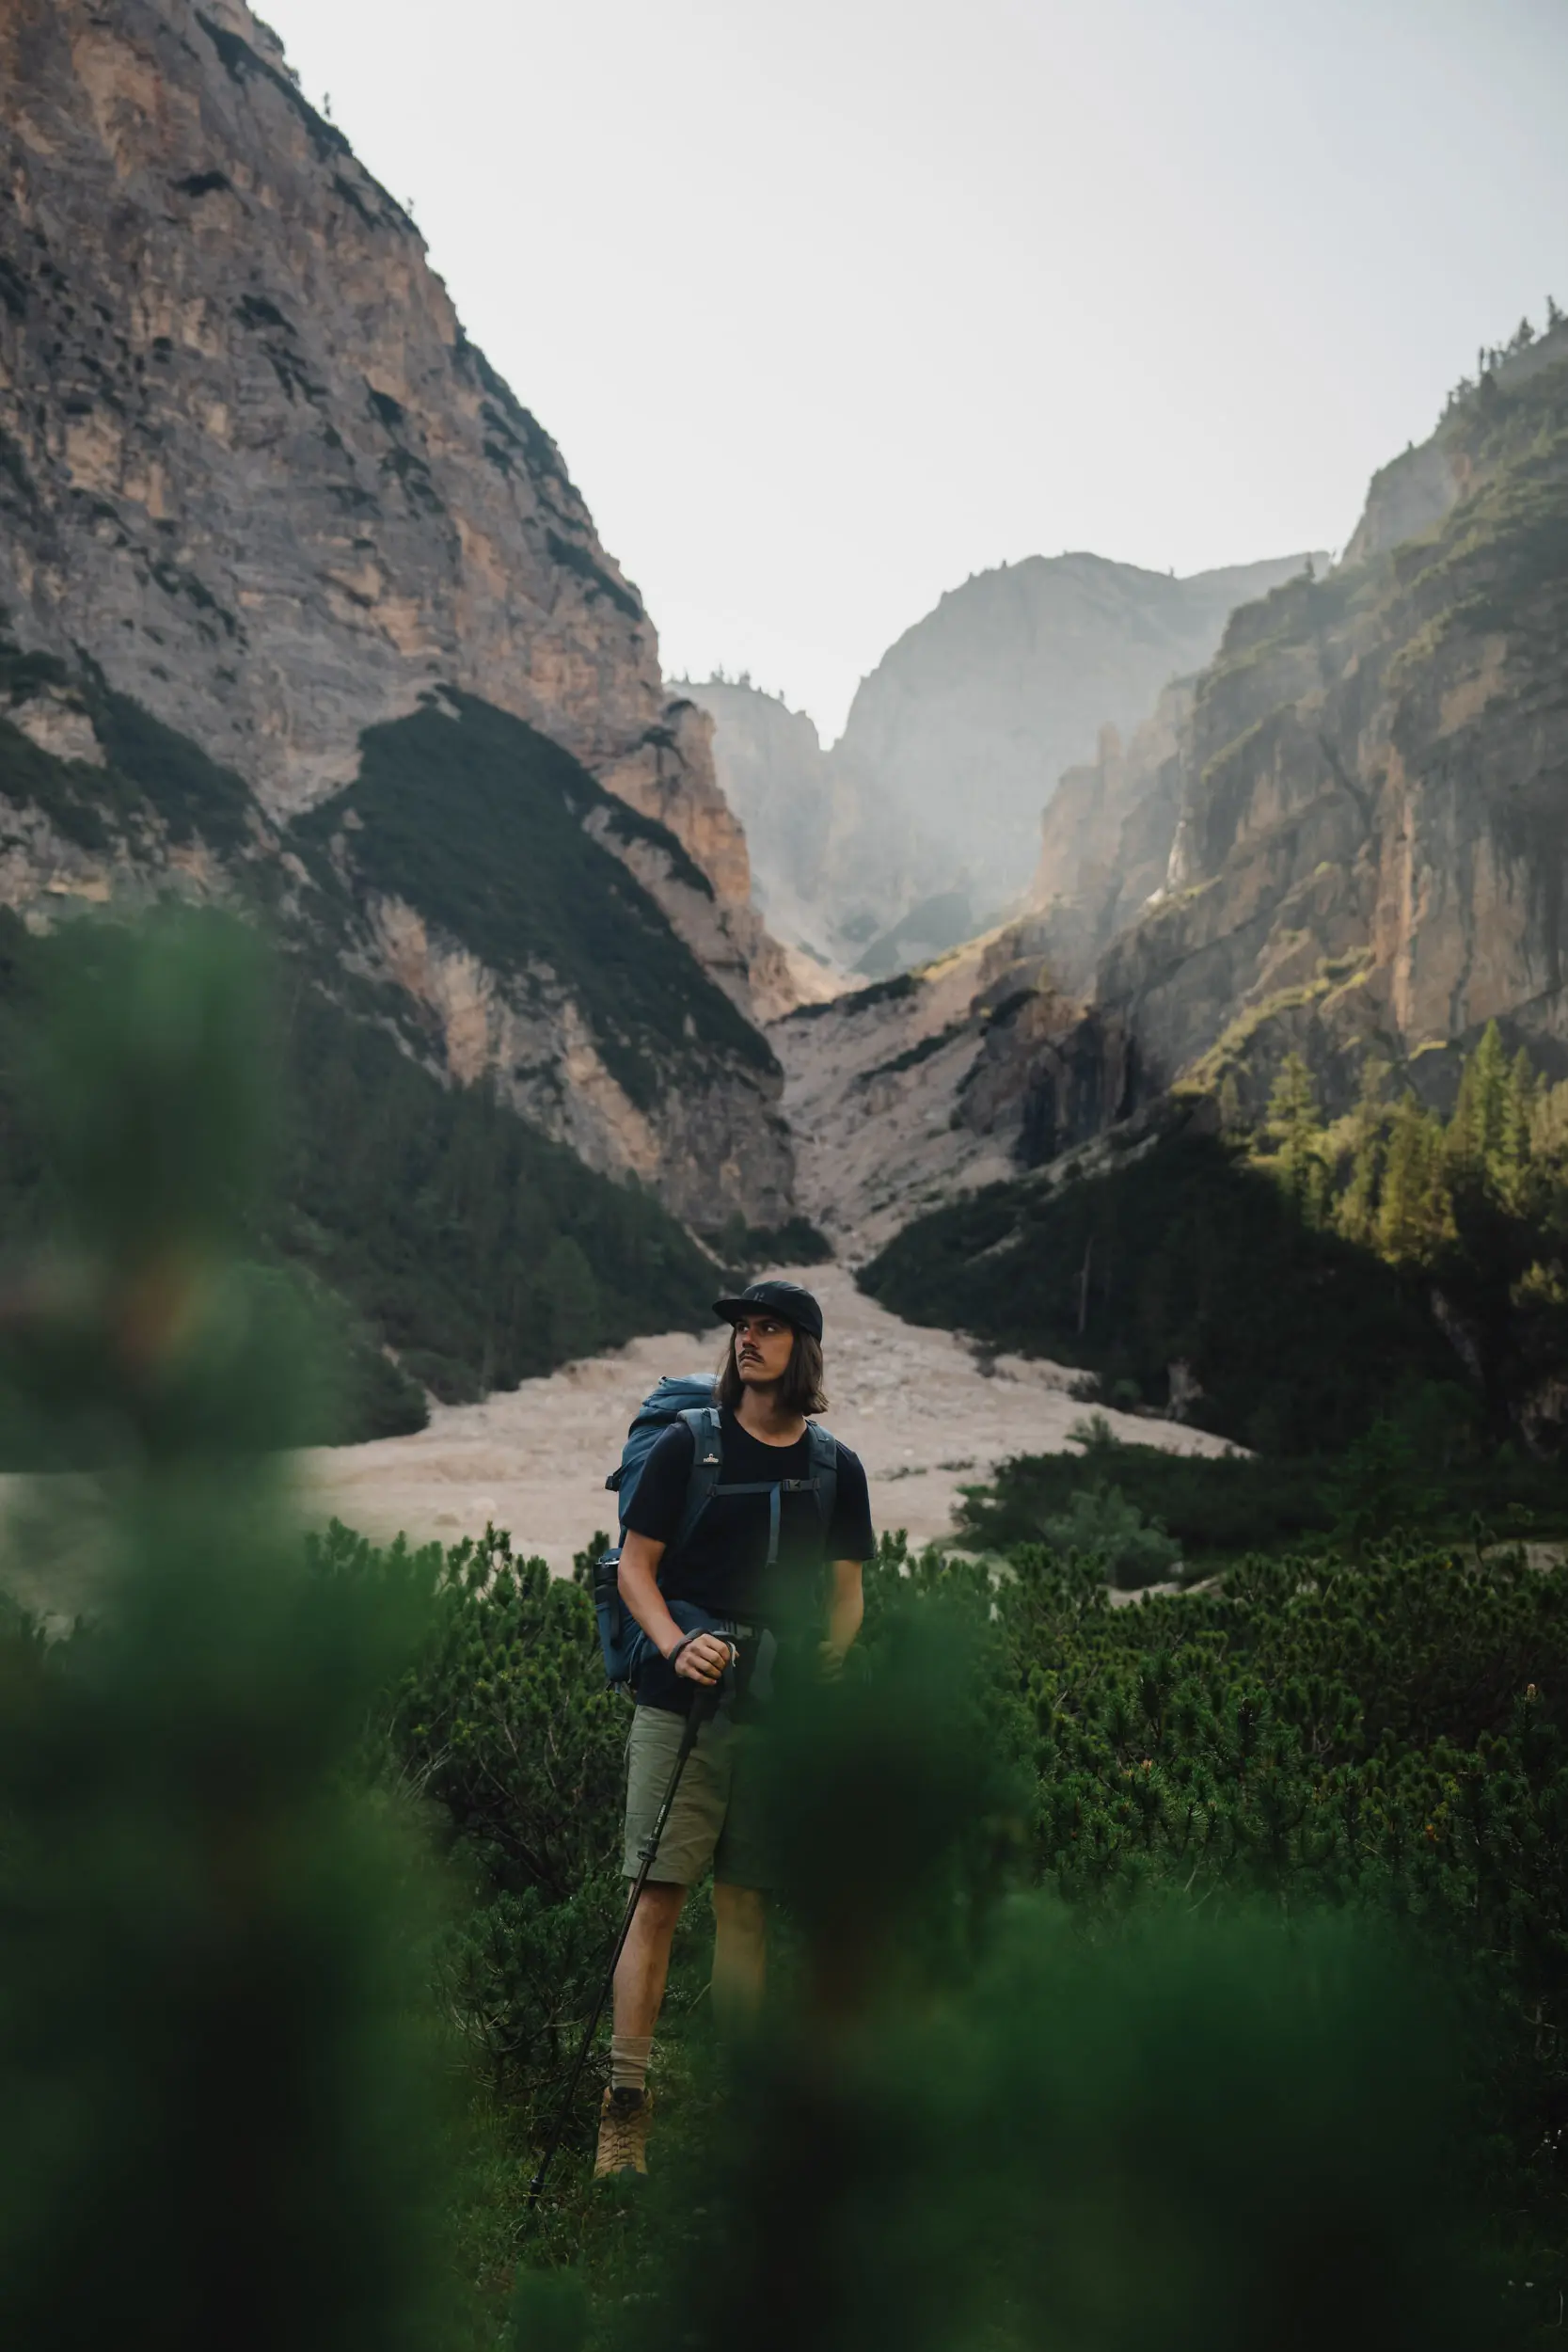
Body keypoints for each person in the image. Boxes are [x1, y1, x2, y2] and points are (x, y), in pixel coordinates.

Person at [594, 1278, 874, 2180]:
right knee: (657, 1901)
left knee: (749, 1906)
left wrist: (829, 1663)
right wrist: (678, 1646)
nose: (747, 1341)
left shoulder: (837, 1467)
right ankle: (624, 2116)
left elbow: (845, 1595)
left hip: (778, 1713)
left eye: (768, 1328)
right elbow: (634, 1569)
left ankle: (739, 2114)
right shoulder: (687, 1447)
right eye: (741, 1329)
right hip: (681, 1704)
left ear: (805, 1348)